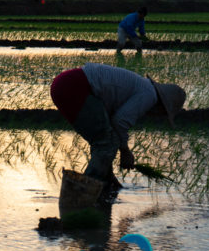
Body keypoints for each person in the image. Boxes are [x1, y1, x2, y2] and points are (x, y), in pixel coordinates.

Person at [50, 63, 185, 193]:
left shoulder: (143, 87)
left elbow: (110, 127)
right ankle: (86, 191)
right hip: (74, 87)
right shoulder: (149, 95)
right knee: (106, 144)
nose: (157, 116)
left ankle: (105, 182)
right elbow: (119, 121)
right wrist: (125, 151)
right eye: (162, 113)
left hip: (64, 84)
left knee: (104, 139)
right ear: (162, 106)